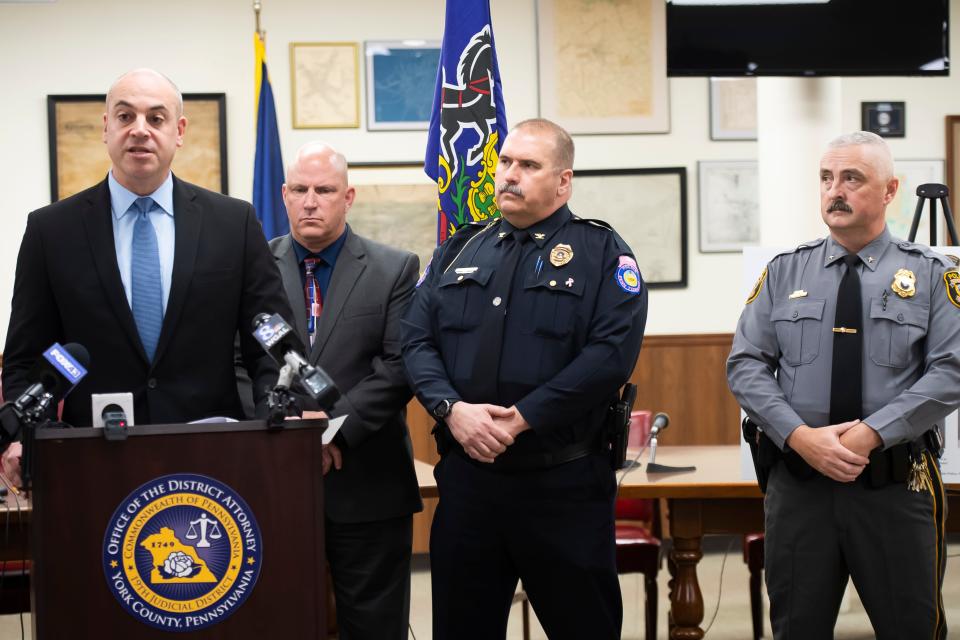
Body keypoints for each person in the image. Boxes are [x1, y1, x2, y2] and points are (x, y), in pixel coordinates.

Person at [401, 118, 647, 639]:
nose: (509, 175)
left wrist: (523, 419)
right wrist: (451, 409)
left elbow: (609, 357)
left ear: (563, 181)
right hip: (471, 483)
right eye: (506, 162)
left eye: (528, 165)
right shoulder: (460, 247)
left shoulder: (602, 252)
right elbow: (416, 341)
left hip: (563, 486)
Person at [727, 131, 956, 639]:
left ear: (890, 190)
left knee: (911, 628)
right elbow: (745, 365)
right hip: (799, 486)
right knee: (796, 629)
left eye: (853, 178)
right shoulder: (785, 272)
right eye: (827, 178)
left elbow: (952, 371)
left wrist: (869, 434)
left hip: (894, 486)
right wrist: (801, 437)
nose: (836, 190)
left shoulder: (933, 275)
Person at [2, 68, 290, 433]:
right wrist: (28, 439)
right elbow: (25, 359)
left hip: (212, 456)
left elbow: (269, 346)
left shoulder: (234, 224)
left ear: (179, 131)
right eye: (125, 117)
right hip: (93, 459)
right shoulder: (51, 230)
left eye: (156, 118)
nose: (140, 129)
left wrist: (272, 425)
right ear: (106, 128)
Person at [240, 142, 423, 639]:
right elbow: (239, 363)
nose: (311, 201)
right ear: (283, 195)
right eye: (300, 190)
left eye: (324, 190)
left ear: (349, 197)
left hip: (368, 481)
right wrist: (282, 433)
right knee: (278, 622)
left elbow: (397, 367)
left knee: (374, 627)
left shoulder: (395, 268)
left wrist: (331, 436)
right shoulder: (251, 268)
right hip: (275, 480)